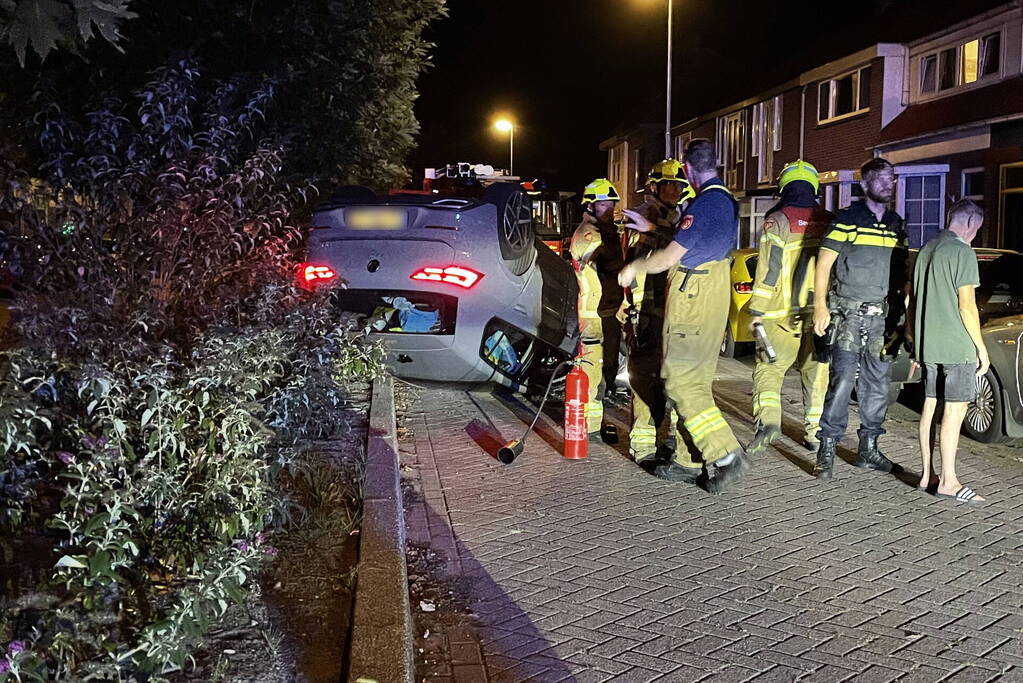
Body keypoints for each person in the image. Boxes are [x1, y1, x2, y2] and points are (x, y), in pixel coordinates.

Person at [618, 139, 749, 492]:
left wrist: (633, 269)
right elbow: (691, 239)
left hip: (693, 295)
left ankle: (725, 454)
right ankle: (690, 461)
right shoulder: (724, 201)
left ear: (688, 169)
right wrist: (653, 230)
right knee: (696, 380)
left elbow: (665, 260)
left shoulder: (705, 204)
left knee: (679, 380)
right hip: (711, 292)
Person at [811, 157, 908, 480]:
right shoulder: (848, 219)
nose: (888, 184)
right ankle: (827, 449)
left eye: (891, 179)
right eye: (881, 179)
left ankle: (868, 450)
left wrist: (902, 315)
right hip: (848, 315)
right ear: (865, 185)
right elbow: (823, 264)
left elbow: (901, 274)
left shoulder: (896, 223)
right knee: (841, 384)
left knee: (877, 385)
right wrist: (820, 308)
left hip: (881, 320)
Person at [747, 160, 832, 456]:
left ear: (785, 187)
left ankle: (769, 423)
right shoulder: (828, 220)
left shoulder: (777, 220)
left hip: (778, 316)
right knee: (817, 372)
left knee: (770, 370)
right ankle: (815, 434)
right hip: (818, 314)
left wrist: (756, 307)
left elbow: (768, 269)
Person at [909, 199, 988, 503]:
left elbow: (912, 300)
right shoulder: (962, 251)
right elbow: (966, 306)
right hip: (957, 345)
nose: (975, 235)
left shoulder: (927, 250)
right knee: (954, 410)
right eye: (976, 229)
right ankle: (950, 481)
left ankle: (928, 475)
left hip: (929, 344)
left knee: (930, 405)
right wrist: (981, 348)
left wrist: (916, 341)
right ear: (969, 223)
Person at [622, 159, 695, 468]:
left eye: (677, 185)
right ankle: (642, 445)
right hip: (648, 312)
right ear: (653, 187)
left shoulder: (675, 217)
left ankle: (667, 439)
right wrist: (635, 313)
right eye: (666, 185)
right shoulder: (644, 217)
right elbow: (644, 262)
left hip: (671, 310)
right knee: (645, 379)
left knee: (673, 378)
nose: (672, 190)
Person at [570, 178, 625, 435]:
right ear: (590, 206)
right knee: (592, 372)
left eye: (611, 204)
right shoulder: (588, 235)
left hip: (608, 312)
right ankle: (587, 427)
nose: (609, 209)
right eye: (603, 204)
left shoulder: (608, 232)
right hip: (593, 316)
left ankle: (594, 423)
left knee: (605, 371)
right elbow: (598, 265)